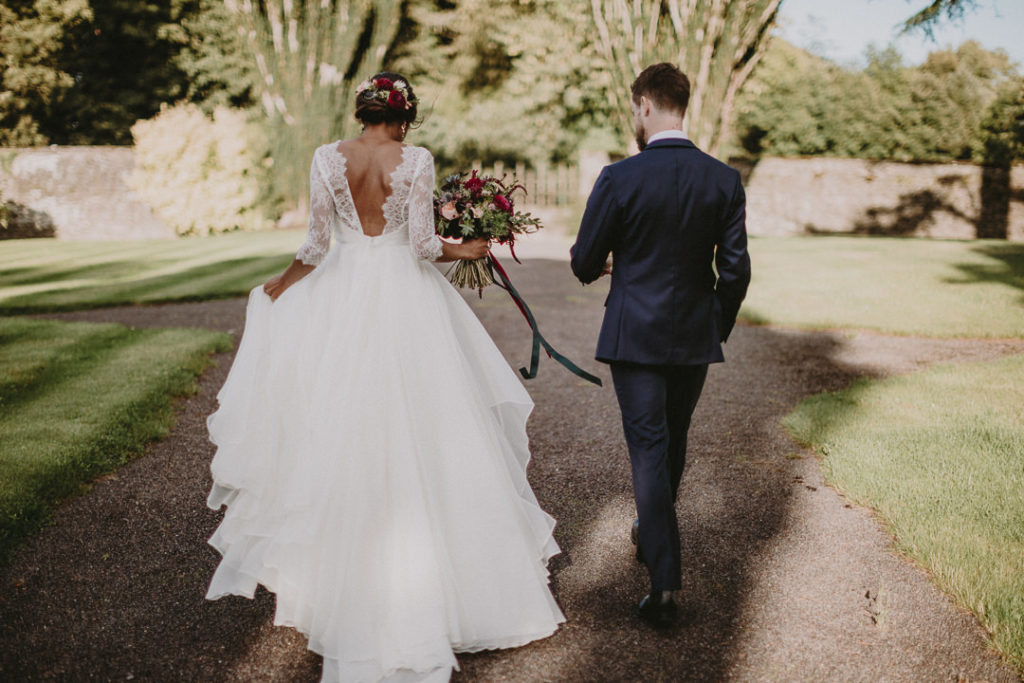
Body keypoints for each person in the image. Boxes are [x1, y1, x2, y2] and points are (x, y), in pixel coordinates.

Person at [204, 72, 564, 682]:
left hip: (342, 300)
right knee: (431, 428)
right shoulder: (415, 159)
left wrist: (282, 287)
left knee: (339, 428)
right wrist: (469, 250)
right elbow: (423, 246)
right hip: (405, 299)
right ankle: (450, 587)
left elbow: (316, 245)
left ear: (362, 111)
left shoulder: (326, 158)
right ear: (403, 118)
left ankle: (338, 582)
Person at [569, 62, 751, 627]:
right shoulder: (723, 178)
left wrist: (606, 264)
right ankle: (653, 536)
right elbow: (738, 271)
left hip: (634, 335)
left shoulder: (618, 178)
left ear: (644, 105)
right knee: (673, 440)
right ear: (682, 104)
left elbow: (580, 262)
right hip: (694, 336)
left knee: (650, 448)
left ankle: (666, 583)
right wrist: (711, 324)